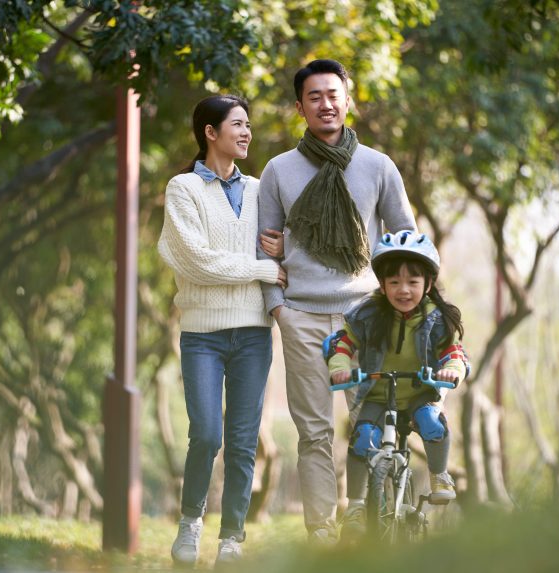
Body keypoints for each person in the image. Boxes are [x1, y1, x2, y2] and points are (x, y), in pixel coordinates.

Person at [257, 59, 416, 544]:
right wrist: (278, 308)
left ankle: (363, 517)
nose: (325, 104)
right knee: (314, 432)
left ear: (348, 100)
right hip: (300, 314)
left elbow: (404, 238)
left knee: (367, 423)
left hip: (363, 316)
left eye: (333, 94)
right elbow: (261, 249)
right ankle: (322, 533)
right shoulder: (279, 170)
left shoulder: (378, 166)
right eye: (314, 97)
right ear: (299, 107)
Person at [158, 94, 286, 567]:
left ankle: (232, 538)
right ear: (210, 132)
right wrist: (262, 269)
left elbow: (281, 246)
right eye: (237, 124)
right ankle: (191, 524)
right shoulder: (183, 189)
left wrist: (281, 250)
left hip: (253, 332)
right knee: (207, 434)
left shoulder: (260, 190)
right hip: (202, 334)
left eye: (248, 125)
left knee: (242, 439)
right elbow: (195, 262)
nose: (247, 132)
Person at [325, 230, 470, 540]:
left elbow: (454, 354)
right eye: (394, 282)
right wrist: (339, 368)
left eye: (413, 282)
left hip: (420, 395)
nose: (403, 290)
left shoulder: (437, 320)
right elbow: (341, 344)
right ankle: (356, 505)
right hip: (378, 395)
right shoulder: (368, 314)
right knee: (362, 438)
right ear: (382, 284)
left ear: (428, 285)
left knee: (433, 422)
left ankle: (439, 474)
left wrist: (451, 371)